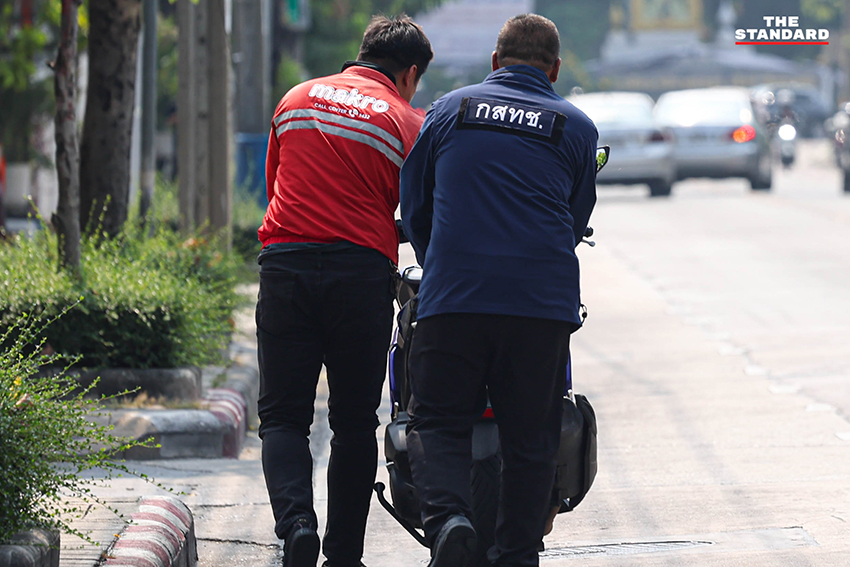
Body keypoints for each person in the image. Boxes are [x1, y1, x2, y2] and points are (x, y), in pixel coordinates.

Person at [400, 13, 598, 567]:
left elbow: (414, 201)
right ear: (555, 69)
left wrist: (434, 259)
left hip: (455, 299)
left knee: (436, 420)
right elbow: (575, 217)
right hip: (539, 306)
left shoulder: (449, 109)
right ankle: (517, 553)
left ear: (494, 62)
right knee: (532, 437)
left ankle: (450, 522)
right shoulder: (576, 127)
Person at [256, 15, 432, 567]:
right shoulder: (408, 121)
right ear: (408, 74)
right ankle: (343, 556)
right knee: (354, 420)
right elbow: (419, 209)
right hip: (360, 276)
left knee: (283, 416)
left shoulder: (296, 98)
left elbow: (276, 186)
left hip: (286, 266)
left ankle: (296, 526)